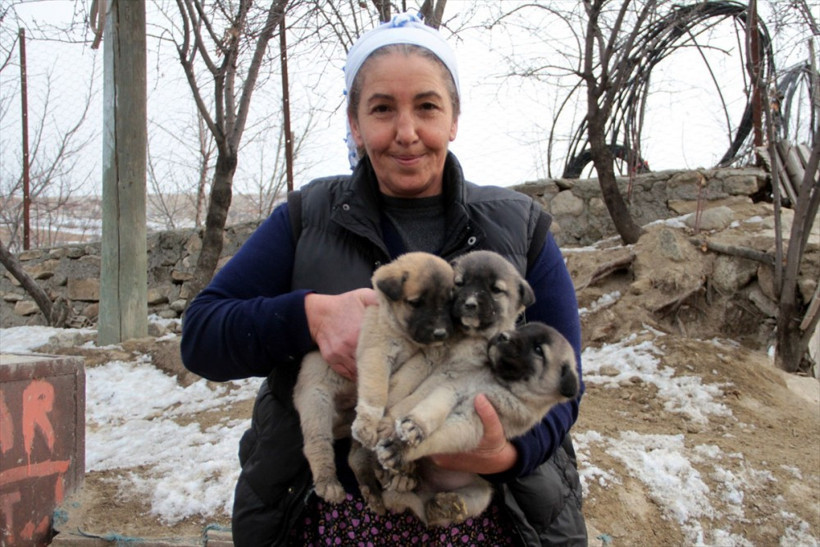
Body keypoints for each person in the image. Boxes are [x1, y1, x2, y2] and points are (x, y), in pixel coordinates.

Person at [181, 12, 587, 547]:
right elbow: (201, 335)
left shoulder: (519, 226)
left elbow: (568, 384)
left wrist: (505, 454)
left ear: (454, 118)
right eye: (381, 109)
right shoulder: (307, 219)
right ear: (354, 123)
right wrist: (309, 316)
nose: (406, 133)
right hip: (331, 514)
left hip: (486, 514)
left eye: (426, 107)